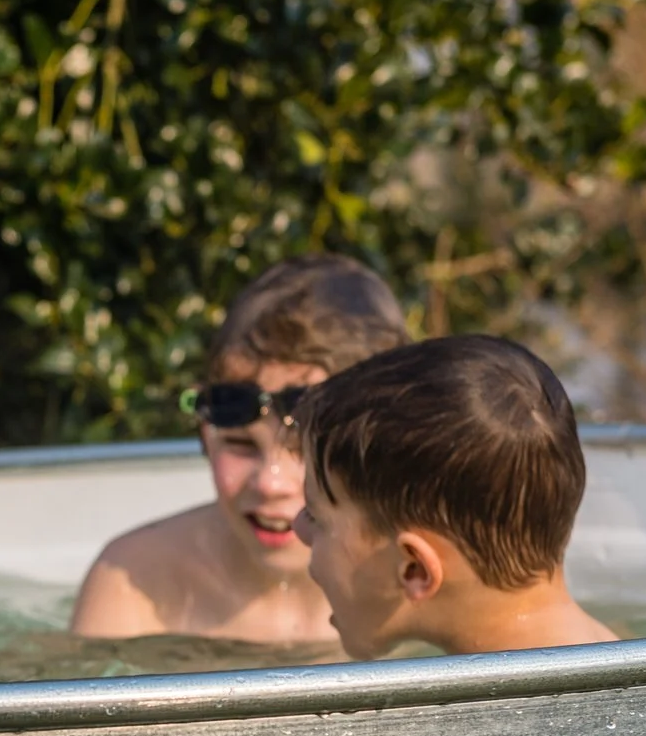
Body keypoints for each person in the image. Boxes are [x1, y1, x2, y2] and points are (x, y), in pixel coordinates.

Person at [69, 255, 407, 645]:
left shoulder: (426, 579)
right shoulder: (136, 578)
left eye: (305, 450)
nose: (270, 482)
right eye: (241, 444)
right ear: (204, 438)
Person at [295, 334, 615, 658]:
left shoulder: (475, 709)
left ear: (414, 569)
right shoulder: (629, 664)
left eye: (315, 516)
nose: (298, 528)